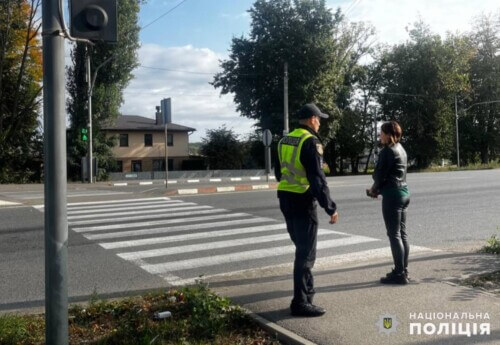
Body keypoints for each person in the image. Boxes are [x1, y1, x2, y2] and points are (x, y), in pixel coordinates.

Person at [275, 103, 339, 317]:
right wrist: (330, 208)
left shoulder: (284, 139)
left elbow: (279, 171)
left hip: (285, 198)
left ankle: (307, 294)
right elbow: (317, 179)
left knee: (301, 249)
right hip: (303, 200)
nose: (320, 122)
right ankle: (300, 303)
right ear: (312, 119)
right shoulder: (310, 141)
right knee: (305, 254)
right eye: (319, 119)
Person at [367, 120, 410, 285]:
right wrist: (376, 189)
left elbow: (379, 176)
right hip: (404, 193)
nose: (380, 136)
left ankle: (399, 274)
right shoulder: (401, 149)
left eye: (381, 133)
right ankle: (403, 270)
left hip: (392, 195)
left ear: (388, 135)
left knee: (394, 235)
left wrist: (374, 188)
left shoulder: (387, 151)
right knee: (402, 234)